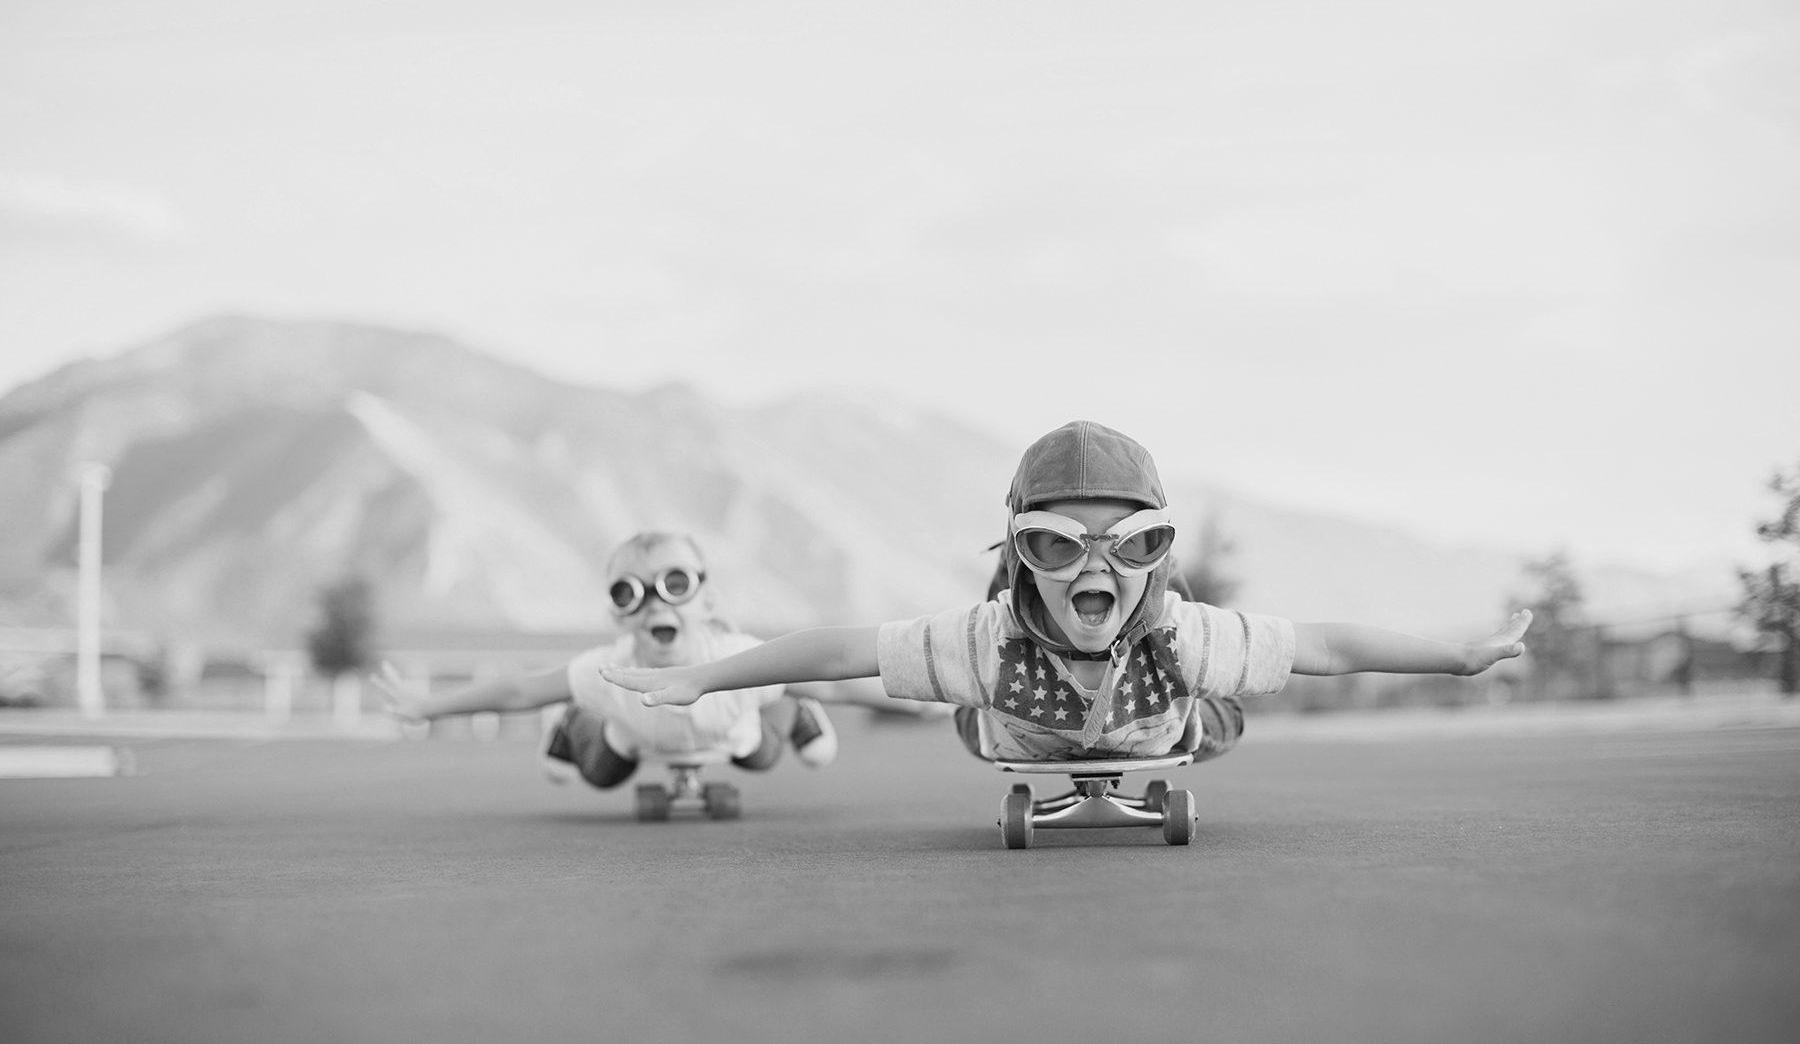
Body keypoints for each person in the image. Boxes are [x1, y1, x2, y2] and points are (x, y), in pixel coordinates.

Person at [598, 421, 1532, 766]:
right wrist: (707, 676)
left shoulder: (1183, 635)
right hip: (1011, 719)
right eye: (1055, 543)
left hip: (1162, 720)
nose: (1095, 568)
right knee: (967, 699)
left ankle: (1191, 703)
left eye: (1131, 546)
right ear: (1020, 548)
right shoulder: (982, 641)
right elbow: (839, 649)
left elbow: (1324, 645)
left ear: (1158, 549)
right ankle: (1012, 636)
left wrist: (1457, 656)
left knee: (1211, 699)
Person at [371, 530, 846, 790]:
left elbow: (828, 675)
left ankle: (794, 713)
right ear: (617, 614)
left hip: (730, 731)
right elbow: (521, 690)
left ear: (708, 602)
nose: (656, 604)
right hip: (634, 739)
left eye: (675, 584)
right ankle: (572, 725)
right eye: (631, 593)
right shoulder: (609, 670)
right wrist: (428, 707)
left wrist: (915, 691)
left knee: (761, 755)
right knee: (598, 775)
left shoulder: (735, 656)